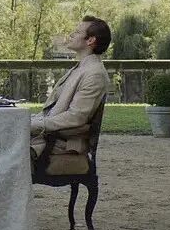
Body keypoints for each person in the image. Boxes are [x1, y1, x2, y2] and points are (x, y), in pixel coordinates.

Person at [30, 16, 112, 170]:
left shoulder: (94, 73)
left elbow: (76, 117)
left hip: (59, 143)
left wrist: (34, 124)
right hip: (48, 136)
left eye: (77, 32)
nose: (72, 34)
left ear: (90, 40)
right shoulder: (82, 68)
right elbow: (53, 111)